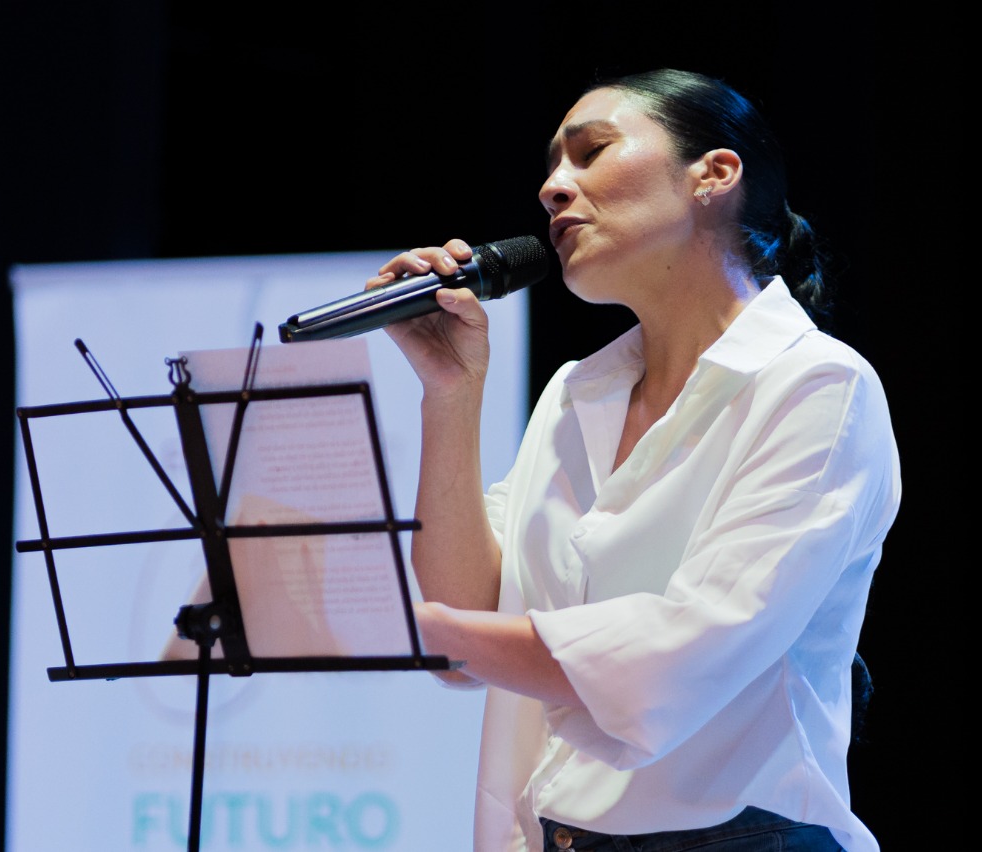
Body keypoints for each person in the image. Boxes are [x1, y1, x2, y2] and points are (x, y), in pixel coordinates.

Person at [368, 68, 900, 852]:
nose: (554, 187)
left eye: (590, 152)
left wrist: (411, 627)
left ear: (713, 175)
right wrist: (450, 392)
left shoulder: (816, 384)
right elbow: (469, 636)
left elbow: (682, 652)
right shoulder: (578, 392)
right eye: (552, 165)